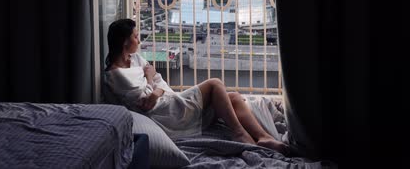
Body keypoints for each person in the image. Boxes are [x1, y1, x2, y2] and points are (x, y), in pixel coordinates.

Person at [103, 18, 290, 155]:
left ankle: (264, 136)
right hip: (166, 114)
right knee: (215, 84)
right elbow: (148, 103)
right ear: (125, 42)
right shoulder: (117, 76)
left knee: (231, 97)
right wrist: (153, 83)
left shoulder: (133, 58)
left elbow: (157, 81)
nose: (139, 40)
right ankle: (239, 133)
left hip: (169, 100)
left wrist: (154, 85)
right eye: (136, 37)